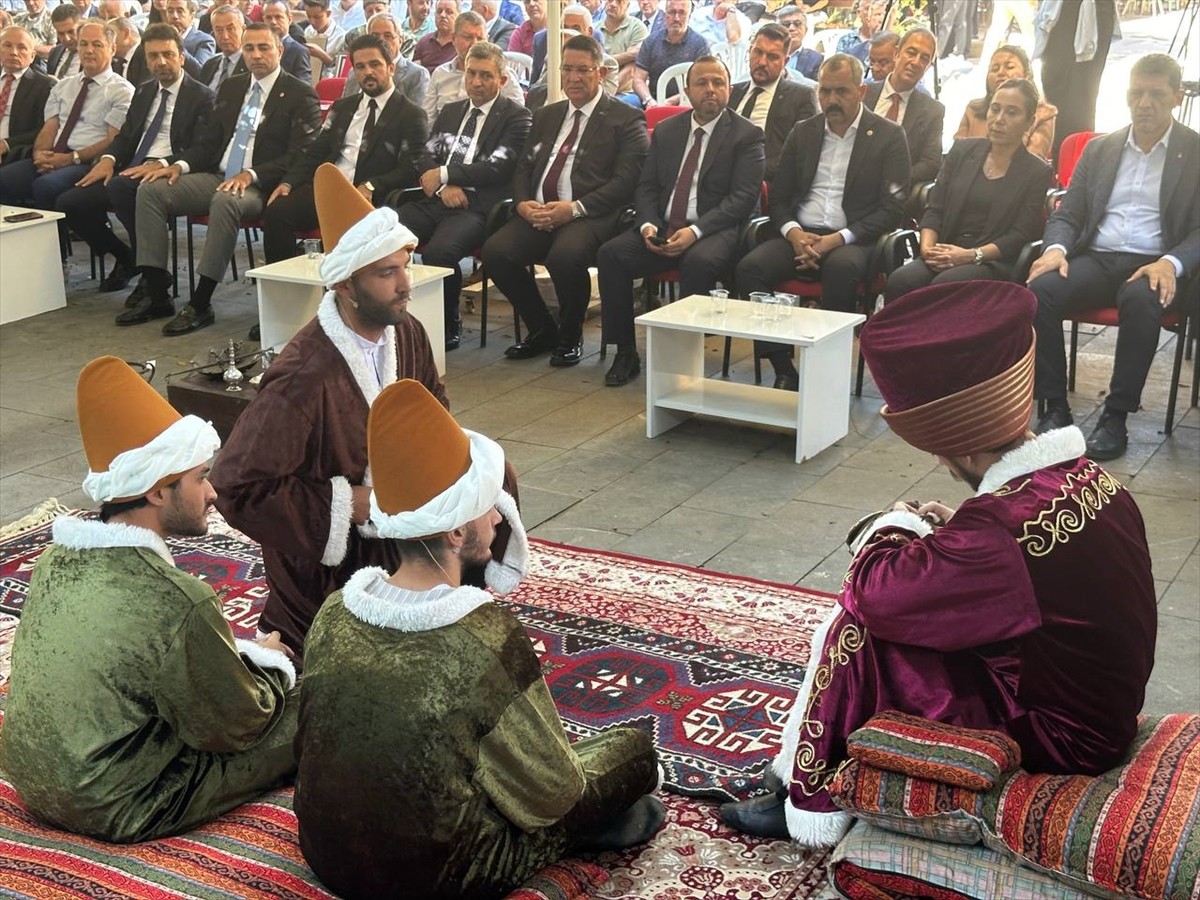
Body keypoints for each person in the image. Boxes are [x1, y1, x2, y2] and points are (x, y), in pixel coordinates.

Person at [718, 280, 1157, 847]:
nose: (944, 465)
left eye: (943, 456)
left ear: (967, 450)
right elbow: (1028, 573)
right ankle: (795, 768)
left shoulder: (996, 528)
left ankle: (809, 795)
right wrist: (954, 533)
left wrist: (894, 526)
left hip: (1060, 736)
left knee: (861, 631)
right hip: (1099, 708)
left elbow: (873, 593)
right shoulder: (1087, 478)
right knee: (912, 610)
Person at [293, 377, 664, 900]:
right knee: (629, 751)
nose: (496, 517)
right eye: (488, 506)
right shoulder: (483, 634)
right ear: (455, 533)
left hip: (324, 853)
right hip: (430, 878)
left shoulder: (334, 612)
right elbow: (553, 791)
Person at [213, 164, 515, 651]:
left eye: (405, 266)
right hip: (334, 562)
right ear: (346, 286)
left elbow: (435, 411)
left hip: (399, 527)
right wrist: (348, 503)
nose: (405, 285)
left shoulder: (408, 331)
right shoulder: (303, 378)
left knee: (499, 476)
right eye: (386, 272)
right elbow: (236, 488)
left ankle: (451, 601)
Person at [0, 356, 299, 844]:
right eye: (200, 478)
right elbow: (236, 727)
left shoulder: (54, 558)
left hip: (32, 780)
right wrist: (267, 665)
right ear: (160, 492)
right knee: (307, 707)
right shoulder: (180, 599)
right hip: (115, 802)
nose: (213, 492)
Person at [1028, 54, 1198, 461]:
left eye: (1156, 94)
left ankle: (1116, 415)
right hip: (1098, 256)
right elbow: (1069, 212)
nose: (1144, 103)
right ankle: (1055, 409)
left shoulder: (1194, 152)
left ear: (1176, 97)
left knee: (1142, 299)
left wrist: (1170, 263)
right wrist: (1055, 249)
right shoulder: (1100, 149)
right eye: (1136, 93)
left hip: (1153, 261)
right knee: (1040, 291)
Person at [120, 21, 320, 333]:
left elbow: (299, 155)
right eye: (249, 48)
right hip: (217, 173)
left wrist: (250, 173)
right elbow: (210, 143)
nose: (255, 55)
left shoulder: (299, 93)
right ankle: (157, 292)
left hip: (258, 184)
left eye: (263, 47)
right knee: (152, 190)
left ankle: (201, 302)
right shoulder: (232, 86)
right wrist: (177, 165)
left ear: (279, 50)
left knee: (226, 200)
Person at [735, 53, 909, 390]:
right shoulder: (804, 132)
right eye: (825, 92)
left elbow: (892, 208)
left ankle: (827, 371)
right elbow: (780, 197)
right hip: (800, 234)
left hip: (853, 239)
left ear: (861, 91)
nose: (831, 100)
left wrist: (837, 239)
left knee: (841, 269)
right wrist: (794, 233)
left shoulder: (888, 136)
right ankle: (783, 366)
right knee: (749, 267)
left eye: (841, 92)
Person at [597, 56, 764, 387]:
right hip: (663, 227)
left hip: (715, 229)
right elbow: (646, 186)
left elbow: (743, 200)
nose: (711, 89)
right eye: (702, 83)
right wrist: (647, 226)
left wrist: (695, 231)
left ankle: (683, 362)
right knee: (611, 254)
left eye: (718, 82)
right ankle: (625, 352)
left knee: (698, 263)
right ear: (687, 90)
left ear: (729, 88)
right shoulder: (668, 130)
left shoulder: (747, 135)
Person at [482, 34, 648, 366]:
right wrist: (522, 203)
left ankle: (570, 337)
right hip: (539, 212)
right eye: (567, 69)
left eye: (582, 70)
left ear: (600, 73)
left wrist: (573, 209)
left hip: (591, 214)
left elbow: (625, 182)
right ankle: (543, 328)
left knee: (565, 257)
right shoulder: (546, 115)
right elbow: (523, 167)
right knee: (495, 253)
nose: (572, 78)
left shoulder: (625, 118)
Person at [57, 24, 215, 295]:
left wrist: (164, 164)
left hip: (169, 172)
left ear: (182, 57)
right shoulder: (143, 91)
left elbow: (203, 149)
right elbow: (127, 137)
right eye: (153, 56)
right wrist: (107, 159)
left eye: (167, 54)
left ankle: (151, 276)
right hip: (131, 170)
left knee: (122, 188)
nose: (160, 62)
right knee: (69, 203)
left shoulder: (202, 96)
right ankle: (128, 258)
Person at [397, 40, 530, 349]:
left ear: (502, 79)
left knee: (439, 254)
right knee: (385, 233)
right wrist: (444, 185)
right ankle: (397, 315)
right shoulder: (452, 111)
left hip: (479, 207)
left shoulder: (516, 116)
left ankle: (446, 321)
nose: (476, 82)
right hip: (439, 198)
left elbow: (498, 166)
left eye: (485, 75)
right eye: (471, 74)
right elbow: (427, 157)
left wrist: (445, 174)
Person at [264, 32, 425, 266]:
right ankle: (285, 289)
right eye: (360, 67)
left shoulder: (411, 114)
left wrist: (372, 185)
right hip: (330, 189)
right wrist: (288, 182)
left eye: (374, 64)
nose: (367, 72)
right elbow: (315, 153)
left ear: (391, 68)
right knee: (278, 212)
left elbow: (410, 168)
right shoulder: (342, 107)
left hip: (368, 196)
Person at [885, 80, 1052, 301]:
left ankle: (934, 336)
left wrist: (971, 255)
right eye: (995, 109)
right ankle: (897, 337)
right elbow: (935, 208)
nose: (999, 119)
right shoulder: (963, 151)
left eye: (1012, 113)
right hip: (946, 250)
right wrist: (927, 250)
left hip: (992, 260)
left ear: (1029, 122)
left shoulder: (1036, 171)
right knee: (901, 281)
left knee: (944, 285)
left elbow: (1020, 234)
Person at [0, 20, 133, 210]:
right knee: (4, 179)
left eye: (97, 45)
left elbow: (113, 139)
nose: (88, 50)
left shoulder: (121, 90)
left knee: (45, 186)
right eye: (83, 44)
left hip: (87, 161)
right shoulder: (63, 86)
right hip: (55, 155)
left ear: (112, 49)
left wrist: (71, 158)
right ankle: (20, 234)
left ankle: (57, 238)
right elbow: (50, 127)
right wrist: (41, 155)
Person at [728, 22, 815, 181]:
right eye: (758, 52)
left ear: (785, 61)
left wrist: (747, 170)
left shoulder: (801, 97)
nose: (762, 62)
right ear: (749, 51)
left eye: (772, 56)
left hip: (765, 183)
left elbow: (800, 155)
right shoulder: (732, 92)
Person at [1033, 0, 1115, 159]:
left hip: (1090, 16)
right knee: (1054, 96)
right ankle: (1058, 162)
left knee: (1080, 103)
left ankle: (1074, 167)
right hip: (1057, 14)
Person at [863, 28, 942, 187]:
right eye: (911, 53)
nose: (916, 62)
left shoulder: (932, 111)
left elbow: (931, 163)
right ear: (896, 54)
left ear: (928, 66)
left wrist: (893, 178)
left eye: (924, 58)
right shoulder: (864, 93)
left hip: (892, 193)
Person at [955, 44, 1057, 162]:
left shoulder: (1044, 113)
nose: (1001, 73)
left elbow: (1031, 163)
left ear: (1027, 75)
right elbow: (958, 155)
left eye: (1009, 67)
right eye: (994, 69)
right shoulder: (973, 109)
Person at [423, 9, 522, 122]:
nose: (474, 43)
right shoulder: (440, 73)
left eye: (480, 38)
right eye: (468, 37)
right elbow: (428, 119)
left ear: (488, 40)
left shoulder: (502, 74)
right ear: (454, 38)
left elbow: (517, 115)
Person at [340, 13, 430, 110]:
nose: (382, 41)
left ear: (400, 41)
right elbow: (342, 111)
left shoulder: (417, 75)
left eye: (388, 36)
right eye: (375, 36)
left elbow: (415, 118)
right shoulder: (354, 73)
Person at [632, 0, 707, 108]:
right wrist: (649, 100)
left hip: (688, 104)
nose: (676, 18)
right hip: (653, 102)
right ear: (664, 15)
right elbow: (638, 79)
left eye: (682, 13)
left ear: (689, 17)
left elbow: (702, 83)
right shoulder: (651, 41)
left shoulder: (700, 44)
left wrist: (669, 102)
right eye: (672, 12)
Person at [0, 26, 55, 165]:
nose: (13, 52)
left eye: (21, 47)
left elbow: (42, 130)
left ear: (32, 56)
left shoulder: (44, 86)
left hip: (13, 151)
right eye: (7, 45)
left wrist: (6, 144)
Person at [596, 0, 646, 94]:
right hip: (599, 90)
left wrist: (608, 92)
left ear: (627, 6)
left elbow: (631, 67)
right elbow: (593, 63)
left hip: (627, 92)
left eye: (619, 2)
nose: (613, 4)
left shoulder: (637, 27)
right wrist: (627, 56)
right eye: (610, 0)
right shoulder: (595, 29)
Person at [199, 3, 248, 90]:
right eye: (219, 30)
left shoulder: (250, 65)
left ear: (243, 30)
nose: (225, 36)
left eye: (230, 29)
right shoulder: (209, 64)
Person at [260, 0, 311, 81]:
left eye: (278, 17)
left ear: (289, 19)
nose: (273, 22)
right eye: (269, 18)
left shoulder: (298, 52)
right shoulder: (255, 48)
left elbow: (304, 88)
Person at [165, 0, 217, 71]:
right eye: (170, 11)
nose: (175, 16)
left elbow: (201, 72)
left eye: (180, 11)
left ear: (192, 16)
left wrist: (177, 42)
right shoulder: (158, 38)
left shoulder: (205, 40)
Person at [302, 0, 345, 80]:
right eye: (309, 16)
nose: (312, 22)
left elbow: (340, 69)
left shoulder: (340, 37)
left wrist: (321, 55)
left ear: (328, 13)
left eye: (317, 17)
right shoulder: (308, 31)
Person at [778, 5, 820, 81]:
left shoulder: (816, 59)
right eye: (786, 24)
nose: (791, 28)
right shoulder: (766, 55)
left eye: (797, 23)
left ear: (806, 30)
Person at [413, 0, 456, 71]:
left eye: (449, 12)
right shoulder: (423, 42)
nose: (443, 15)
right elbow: (415, 73)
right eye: (439, 11)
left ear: (458, 16)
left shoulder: (461, 44)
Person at [46, 3, 83, 78]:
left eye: (71, 32)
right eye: (61, 33)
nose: (67, 38)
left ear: (81, 27)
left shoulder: (92, 54)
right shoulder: (55, 52)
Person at [13, 0, 55, 65]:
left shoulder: (52, 19)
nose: (31, 3)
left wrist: (28, 48)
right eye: (27, 0)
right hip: (15, 59)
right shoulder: (18, 18)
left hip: (39, 63)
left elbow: (54, 50)